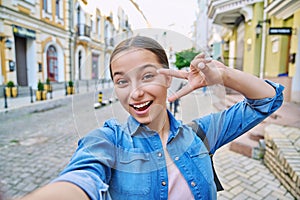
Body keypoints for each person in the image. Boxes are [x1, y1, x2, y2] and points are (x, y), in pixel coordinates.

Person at [19, 36, 284, 200]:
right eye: (122, 81)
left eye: (147, 76)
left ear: (168, 77)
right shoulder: (108, 141)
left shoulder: (201, 134)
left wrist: (224, 76)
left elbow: (268, 100)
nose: (135, 92)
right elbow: (80, 179)